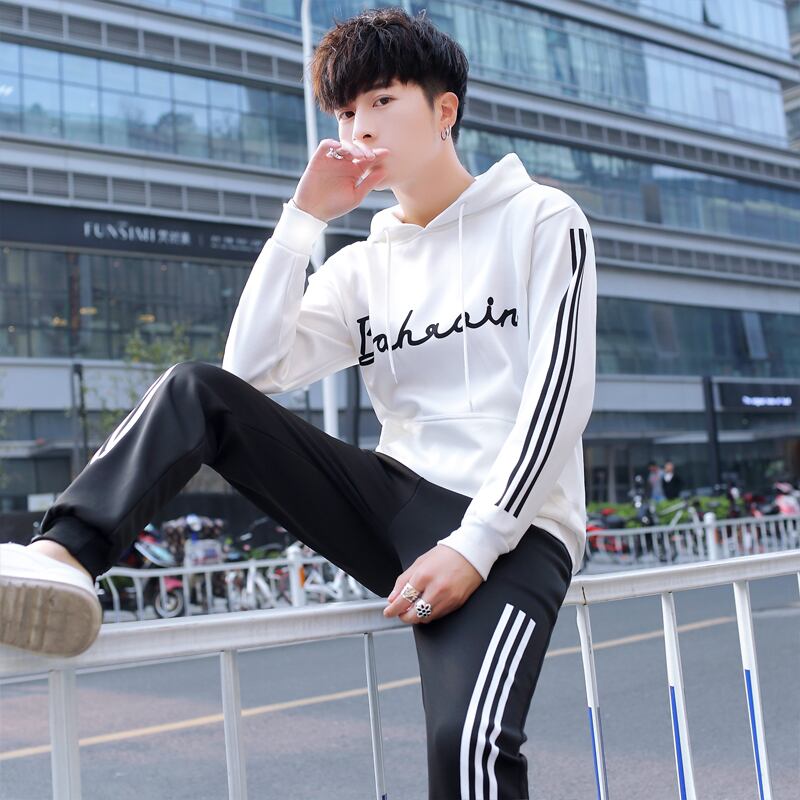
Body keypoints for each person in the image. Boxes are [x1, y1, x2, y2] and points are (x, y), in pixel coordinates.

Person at [0, 8, 596, 798]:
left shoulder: (542, 218)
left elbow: (561, 394)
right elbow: (247, 375)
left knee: (468, 743)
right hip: (395, 501)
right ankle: (62, 557)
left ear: (443, 110)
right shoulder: (360, 268)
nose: (360, 127)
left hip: (515, 527)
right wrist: (303, 219)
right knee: (194, 389)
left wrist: (477, 543)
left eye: (382, 100)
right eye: (345, 112)